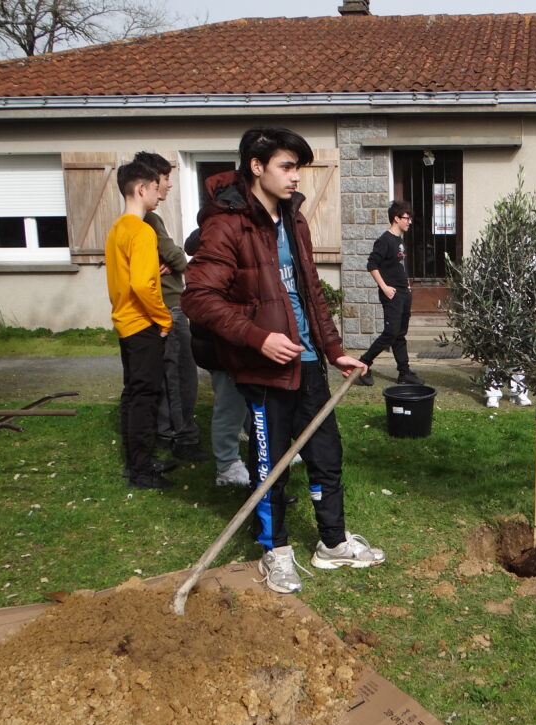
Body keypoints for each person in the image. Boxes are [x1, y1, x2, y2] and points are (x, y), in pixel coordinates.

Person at [182, 126, 383, 594]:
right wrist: (257, 338)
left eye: (299, 168)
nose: (296, 178)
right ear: (256, 167)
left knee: (326, 455)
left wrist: (334, 350)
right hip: (263, 368)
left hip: (309, 361)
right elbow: (199, 298)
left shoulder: (294, 218)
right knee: (270, 464)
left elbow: (310, 292)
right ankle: (277, 551)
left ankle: (332, 543)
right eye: (286, 167)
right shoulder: (227, 224)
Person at [132, 152, 209, 464]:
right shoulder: (150, 219)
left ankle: (167, 432)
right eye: (165, 179)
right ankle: (183, 438)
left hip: (160, 304)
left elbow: (171, 256)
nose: (169, 186)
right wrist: (174, 257)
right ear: (150, 182)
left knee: (169, 374)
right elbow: (176, 257)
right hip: (169, 306)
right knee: (180, 376)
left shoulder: (138, 220)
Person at [104, 159, 173, 490]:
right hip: (143, 326)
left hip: (124, 324)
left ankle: (138, 461)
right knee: (145, 397)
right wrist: (164, 318)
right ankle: (142, 471)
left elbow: (131, 279)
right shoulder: (143, 231)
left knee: (133, 394)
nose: (160, 195)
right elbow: (142, 286)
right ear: (141, 188)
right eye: (156, 189)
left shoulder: (118, 228)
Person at [356, 201, 424, 387]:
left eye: (410, 218)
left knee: (400, 334)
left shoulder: (400, 241)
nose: (409, 221)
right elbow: (372, 265)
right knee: (390, 333)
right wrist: (385, 288)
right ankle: (363, 363)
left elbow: (399, 267)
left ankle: (404, 373)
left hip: (403, 292)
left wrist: (407, 285)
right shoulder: (384, 240)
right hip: (392, 294)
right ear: (396, 218)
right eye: (406, 218)